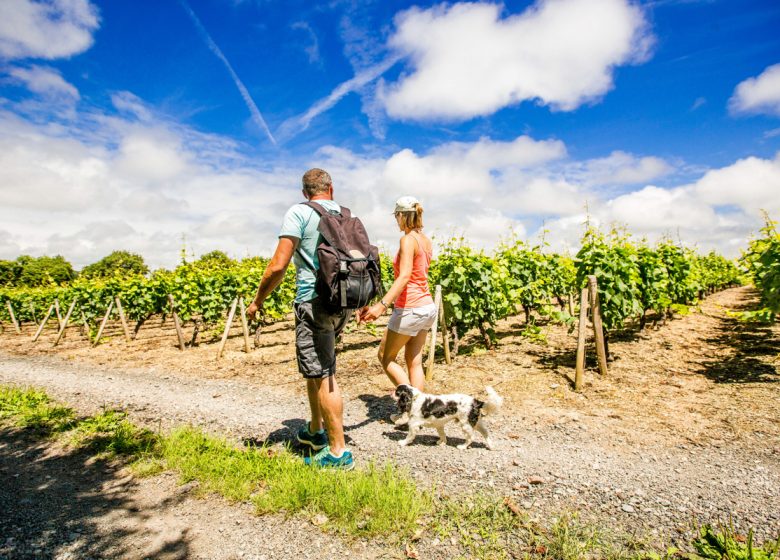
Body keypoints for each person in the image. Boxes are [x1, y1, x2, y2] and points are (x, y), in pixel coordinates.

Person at [246, 168, 354, 470]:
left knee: (325, 373)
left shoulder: (299, 212)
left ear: (304, 192)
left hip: (313, 299)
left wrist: (258, 300)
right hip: (342, 300)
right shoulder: (345, 213)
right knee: (316, 369)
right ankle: (316, 431)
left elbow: (278, 265)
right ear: (330, 188)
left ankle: (338, 452)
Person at [359, 196, 435, 401]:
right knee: (414, 360)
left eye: (396, 216)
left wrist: (381, 306)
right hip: (427, 306)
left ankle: (412, 404)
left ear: (402, 215)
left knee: (385, 357)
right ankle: (418, 415)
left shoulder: (408, 239)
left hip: (410, 308)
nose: (396, 220)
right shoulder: (426, 240)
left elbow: (405, 276)